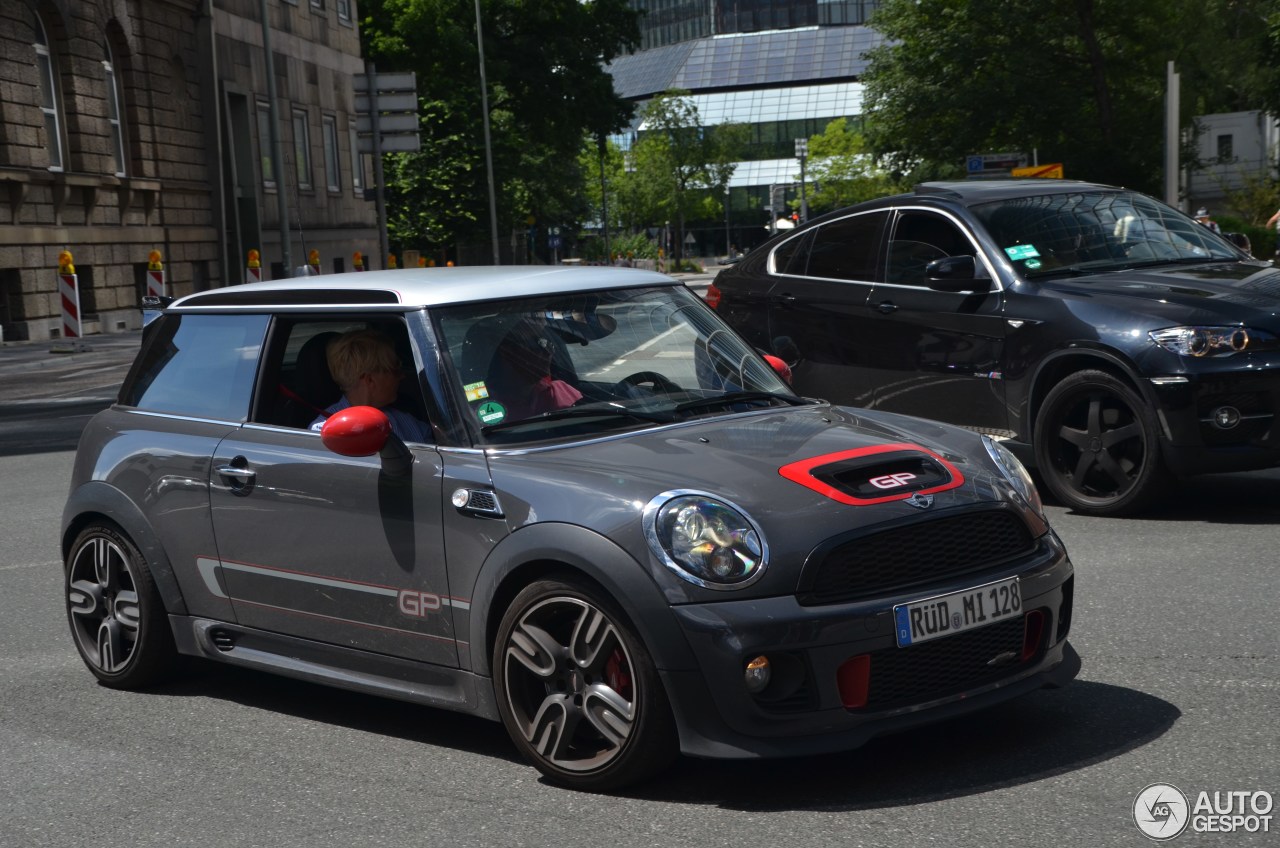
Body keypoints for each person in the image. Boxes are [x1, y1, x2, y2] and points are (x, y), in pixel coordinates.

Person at [309, 329, 431, 442]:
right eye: (395, 369)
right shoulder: (325, 432)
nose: (401, 376)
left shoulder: (404, 420)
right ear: (370, 380)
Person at [486, 318, 582, 420]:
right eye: (537, 343)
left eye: (549, 344)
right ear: (507, 351)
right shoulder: (483, 410)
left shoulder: (561, 391)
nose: (548, 352)